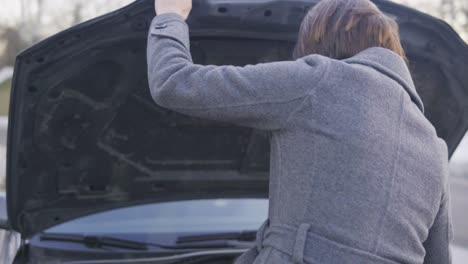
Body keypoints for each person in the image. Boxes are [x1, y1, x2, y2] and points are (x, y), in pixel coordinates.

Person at [147, 0, 452, 263]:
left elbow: (173, 82)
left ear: (318, 44)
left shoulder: (320, 81)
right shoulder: (434, 145)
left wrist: (170, 15)